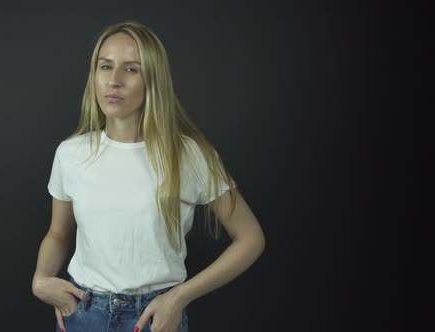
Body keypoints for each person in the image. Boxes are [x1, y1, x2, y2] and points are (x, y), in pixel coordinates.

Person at [31, 21, 265, 332]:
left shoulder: (187, 155)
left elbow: (251, 239)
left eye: (131, 69)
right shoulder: (71, 154)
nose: (113, 81)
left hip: (155, 318)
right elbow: (59, 234)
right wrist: (41, 279)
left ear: (152, 80)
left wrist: (179, 298)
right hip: (84, 314)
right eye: (106, 66)